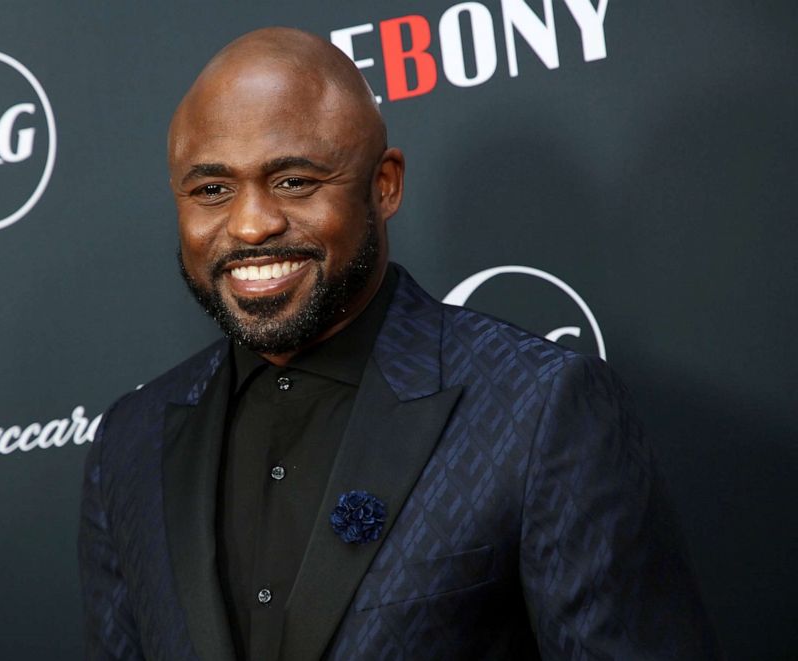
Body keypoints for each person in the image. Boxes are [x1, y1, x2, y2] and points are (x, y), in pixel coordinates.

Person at [78, 27, 719, 661]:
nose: (250, 225)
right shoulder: (130, 445)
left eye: (294, 181)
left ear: (383, 186)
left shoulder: (539, 409)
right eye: (212, 190)